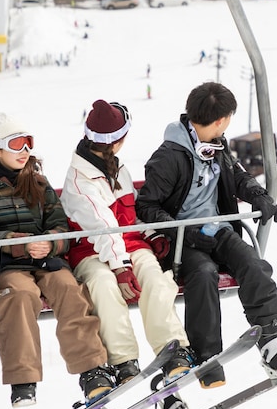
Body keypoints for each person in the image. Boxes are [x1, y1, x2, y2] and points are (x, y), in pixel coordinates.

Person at [136, 82, 277, 389]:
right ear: (220, 120)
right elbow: (147, 206)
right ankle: (206, 355)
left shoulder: (216, 146)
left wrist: (257, 195)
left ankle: (272, 341)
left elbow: (236, 174)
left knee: (253, 265)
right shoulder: (170, 156)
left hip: (219, 230)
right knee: (203, 273)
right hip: (185, 241)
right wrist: (184, 231)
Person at [0, 113, 113, 407]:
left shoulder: (38, 182)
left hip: (45, 261)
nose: (25, 151)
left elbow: (62, 227)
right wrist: (23, 246)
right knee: (19, 295)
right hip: (6, 265)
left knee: (70, 289)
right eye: (17, 144)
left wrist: (51, 244)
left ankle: (91, 369)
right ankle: (23, 379)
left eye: (28, 143)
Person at [61, 100, 193, 387]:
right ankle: (123, 359)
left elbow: (126, 218)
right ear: (118, 140)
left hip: (128, 245)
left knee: (155, 280)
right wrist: (120, 268)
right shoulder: (80, 179)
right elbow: (102, 227)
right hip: (90, 250)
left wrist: (150, 235)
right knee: (104, 286)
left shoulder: (117, 169)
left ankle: (172, 350)